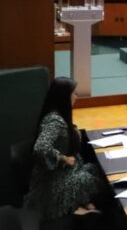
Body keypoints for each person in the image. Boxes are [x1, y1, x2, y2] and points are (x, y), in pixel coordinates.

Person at [24, 77, 103, 221]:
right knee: (93, 179)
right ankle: (75, 208)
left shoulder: (60, 115)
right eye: (73, 93)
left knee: (94, 169)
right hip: (52, 181)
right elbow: (40, 147)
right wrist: (63, 158)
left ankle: (80, 205)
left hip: (65, 171)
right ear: (64, 97)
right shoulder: (55, 121)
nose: (76, 96)